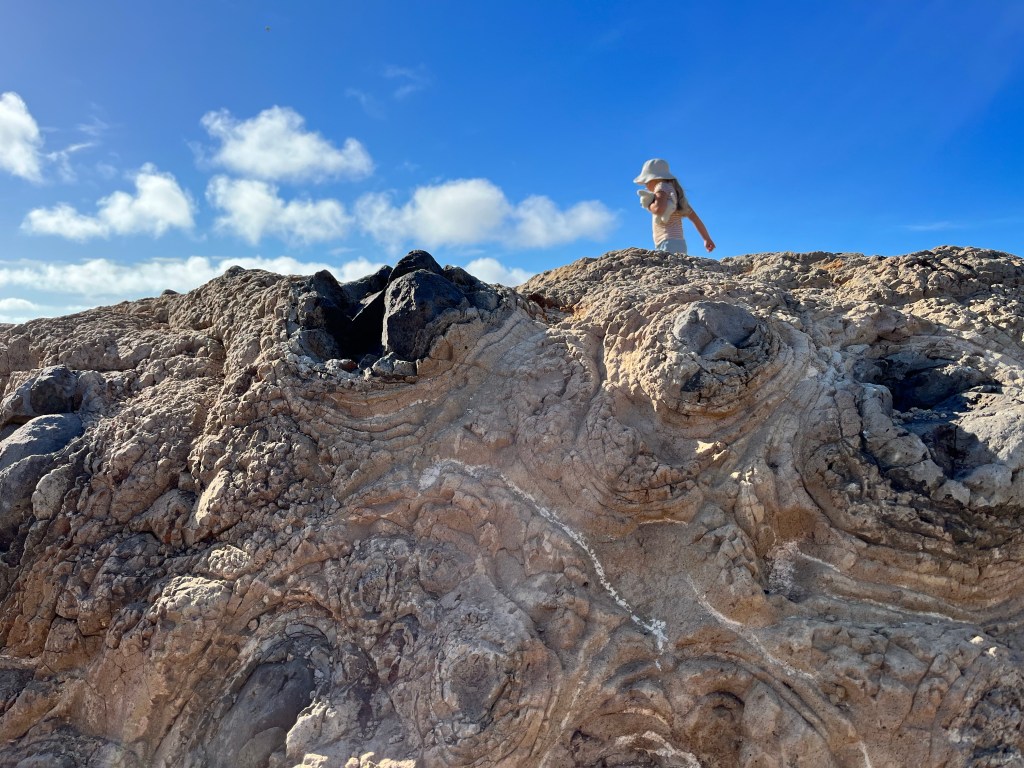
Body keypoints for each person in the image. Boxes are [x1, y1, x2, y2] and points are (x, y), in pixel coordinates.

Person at [634, 158, 715, 254]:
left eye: (646, 182)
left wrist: (648, 205)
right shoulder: (676, 195)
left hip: (666, 241)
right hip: (680, 243)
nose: (645, 186)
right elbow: (695, 218)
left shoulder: (661, 186)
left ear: (654, 179)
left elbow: (659, 209)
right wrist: (706, 238)